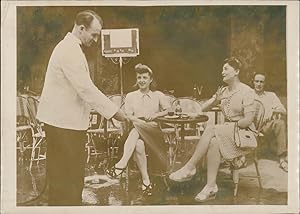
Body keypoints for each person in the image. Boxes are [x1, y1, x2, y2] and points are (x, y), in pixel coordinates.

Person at [37, 10, 127, 206]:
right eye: (94, 34)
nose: (96, 40)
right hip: (63, 125)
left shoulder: (71, 48)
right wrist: (116, 113)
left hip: (65, 123)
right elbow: (86, 89)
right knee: (68, 180)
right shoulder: (69, 50)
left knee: (69, 178)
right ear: (81, 28)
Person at [169, 57, 257, 202]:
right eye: (222, 69)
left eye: (226, 69)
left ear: (236, 71)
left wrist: (229, 126)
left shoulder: (247, 91)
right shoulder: (224, 91)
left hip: (244, 133)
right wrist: (216, 99)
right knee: (213, 142)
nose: (222, 72)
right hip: (229, 132)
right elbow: (202, 108)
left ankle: (190, 167)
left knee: (211, 129)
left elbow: (248, 120)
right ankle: (210, 186)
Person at [106, 63, 170, 196]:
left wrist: (155, 115)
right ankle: (146, 181)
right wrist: (138, 121)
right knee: (138, 144)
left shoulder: (158, 95)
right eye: (139, 77)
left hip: (153, 132)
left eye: (144, 77)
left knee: (136, 130)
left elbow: (170, 110)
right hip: (136, 131)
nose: (141, 80)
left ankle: (121, 164)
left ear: (150, 79)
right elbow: (128, 116)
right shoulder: (131, 96)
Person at [252, 72, 287, 172]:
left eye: (261, 82)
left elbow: (284, 111)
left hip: (265, 126)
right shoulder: (248, 94)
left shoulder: (271, 96)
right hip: (250, 125)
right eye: (257, 81)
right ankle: (238, 157)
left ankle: (282, 159)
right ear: (253, 82)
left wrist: (272, 110)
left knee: (280, 123)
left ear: (265, 83)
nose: (259, 84)